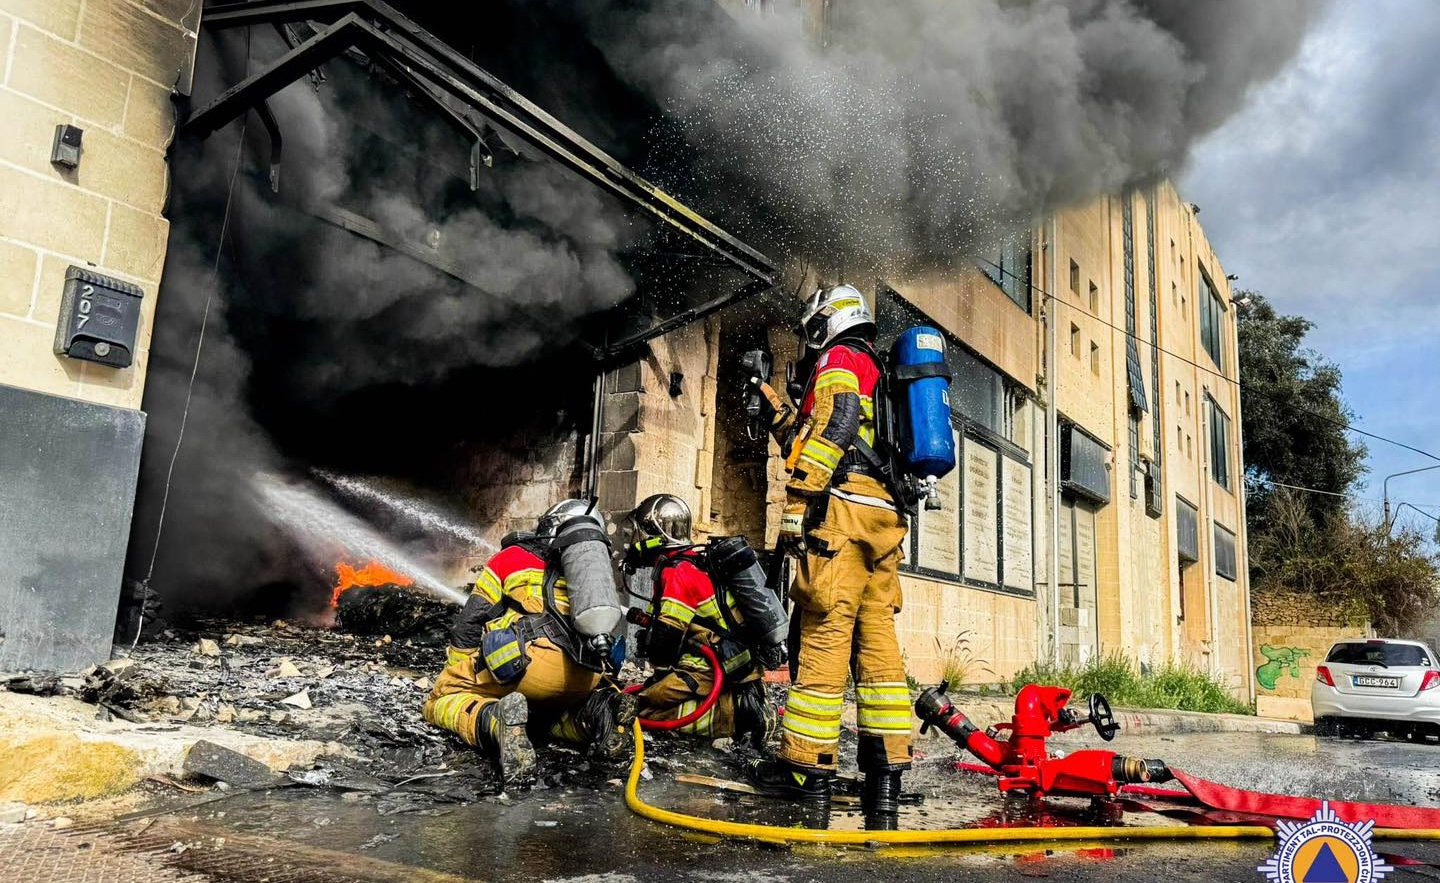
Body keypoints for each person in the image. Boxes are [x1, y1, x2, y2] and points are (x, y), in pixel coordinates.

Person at [747, 284, 913, 825]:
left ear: (830, 321)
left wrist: (798, 499)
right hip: (882, 517)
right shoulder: (879, 369)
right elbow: (816, 432)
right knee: (878, 644)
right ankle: (884, 783)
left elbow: (836, 425)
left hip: (840, 513)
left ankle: (810, 776)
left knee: (823, 634)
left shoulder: (841, 357)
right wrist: (772, 401)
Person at [423, 499, 635, 785]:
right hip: (585, 675)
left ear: (548, 526)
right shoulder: (593, 575)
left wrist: (458, 673)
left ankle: (494, 722)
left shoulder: (512, 557)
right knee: (547, 718)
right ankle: (599, 715)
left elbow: (469, 623)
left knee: (440, 700)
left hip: (528, 668)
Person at [619, 493, 779, 748]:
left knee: (640, 710)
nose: (637, 542)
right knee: (647, 697)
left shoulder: (677, 572)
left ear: (656, 536)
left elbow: (666, 641)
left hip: (705, 666)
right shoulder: (695, 561)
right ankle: (744, 703)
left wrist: (656, 673)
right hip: (733, 663)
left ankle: (738, 717)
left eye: (642, 533)